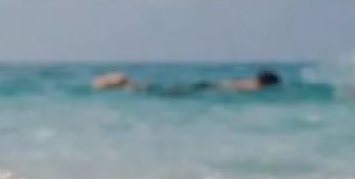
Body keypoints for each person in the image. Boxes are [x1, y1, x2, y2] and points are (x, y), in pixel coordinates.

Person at [91, 68, 281, 95]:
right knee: (158, 92)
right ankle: (122, 81)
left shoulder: (250, 82)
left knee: (156, 91)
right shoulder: (254, 86)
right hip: (208, 88)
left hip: (207, 85)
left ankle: (122, 82)